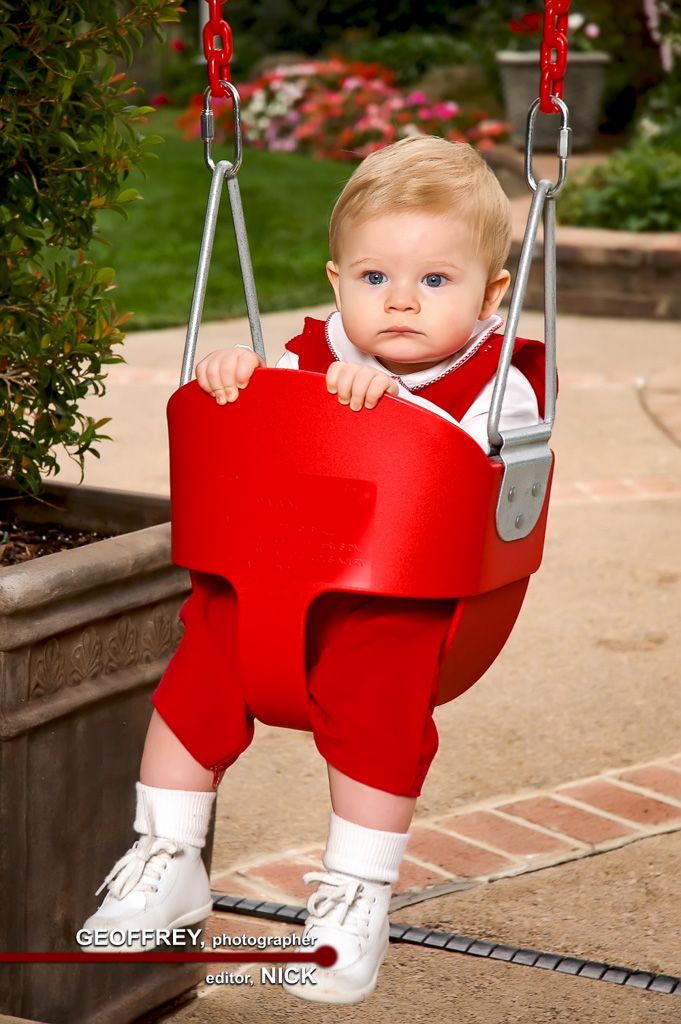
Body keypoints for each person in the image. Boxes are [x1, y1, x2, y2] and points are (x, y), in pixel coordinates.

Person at [79, 136, 545, 1005]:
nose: (399, 301)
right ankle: (167, 854)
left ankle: (354, 897)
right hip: (276, 581)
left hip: (404, 606)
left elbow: (477, 471)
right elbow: (266, 428)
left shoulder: (497, 383)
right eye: (374, 278)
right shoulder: (312, 354)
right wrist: (236, 380)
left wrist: (398, 415)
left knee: (376, 701)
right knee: (199, 661)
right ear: (337, 283)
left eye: (433, 280)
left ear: (490, 296)